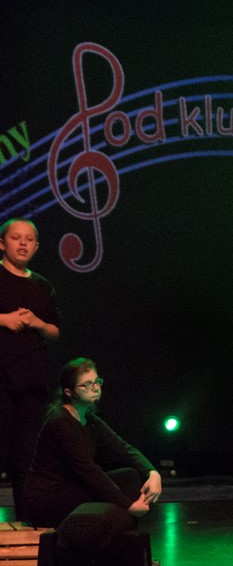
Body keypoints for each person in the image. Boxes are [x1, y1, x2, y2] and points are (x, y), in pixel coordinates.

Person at [23, 358, 162, 531]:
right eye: (87, 385)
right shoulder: (60, 422)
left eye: (97, 381)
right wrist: (129, 506)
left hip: (72, 490)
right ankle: (121, 537)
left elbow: (123, 448)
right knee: (116, 500)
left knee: (130, 475)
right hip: (47, 500)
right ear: (69, 392)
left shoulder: (89, 419)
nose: (96, 388)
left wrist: (152, 473)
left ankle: (121, 536)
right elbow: (88, 471)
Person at [0, 218, 61, 520]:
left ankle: (25, 523)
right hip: (1, 378)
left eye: (29, 239)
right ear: (2, 243)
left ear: (36, 246)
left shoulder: (42, 285)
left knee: (25, 460)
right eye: (16, 238)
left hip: (31, 381)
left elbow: (54, 331)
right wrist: (4, 319)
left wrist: (37, 323)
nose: (23, 243)